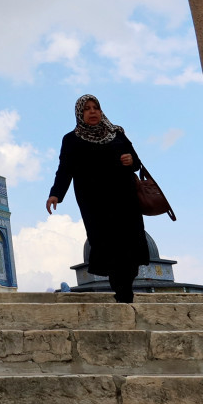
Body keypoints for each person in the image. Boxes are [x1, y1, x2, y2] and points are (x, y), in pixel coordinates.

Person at [46, 94, 148, 304]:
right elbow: (65, 168)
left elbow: (136, 162)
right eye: (87, 109)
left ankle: (125, 292)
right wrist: (56, 193)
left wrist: (131, 160)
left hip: (124, 198)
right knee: (107, 245)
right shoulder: (72, 139)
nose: (92, 112)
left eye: (96, 108)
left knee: (129, 243)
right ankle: (121, 292)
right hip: (95, 202)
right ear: (80, 114)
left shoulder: (116, 133)